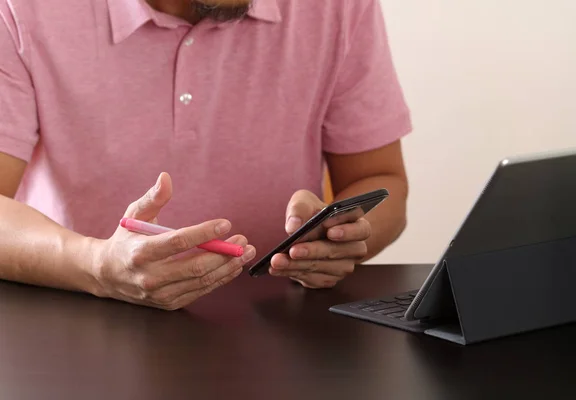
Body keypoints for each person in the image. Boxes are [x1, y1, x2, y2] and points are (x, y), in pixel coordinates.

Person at [0, 0, 411, 310]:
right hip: (74, 319)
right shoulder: (22, 9)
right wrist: (96, 265)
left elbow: (382, 181)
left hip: (278, 328)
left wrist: (338, 238)